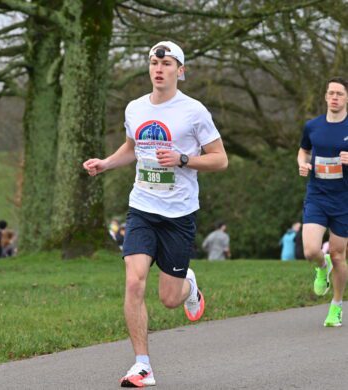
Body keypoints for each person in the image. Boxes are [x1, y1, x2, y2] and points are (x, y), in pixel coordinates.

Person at [83, 41, 228, 387]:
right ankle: (142, 365)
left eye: (166, 62)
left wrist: (183, 159)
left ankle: (188, 284)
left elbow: (220, 159)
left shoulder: (194, 111)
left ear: (181, 71)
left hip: (179, 214)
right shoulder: (135, 109)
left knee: (168, 299)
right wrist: (105, 163)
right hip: (142, 208)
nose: (158, 68)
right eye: (153, 62)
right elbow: (133, 147)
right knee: (134, 281)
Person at [297, 76, 348, 327]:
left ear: (346, 97)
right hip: (317, 195)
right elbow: (303, 150)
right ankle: (321, 265)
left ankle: (336, 307)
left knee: (339, 255)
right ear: (326, 96)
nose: (335, 97)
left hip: (344, 199)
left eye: (339, 93)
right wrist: (302, 164)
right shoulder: (313, 126)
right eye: (331, 93)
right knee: (310, 250)